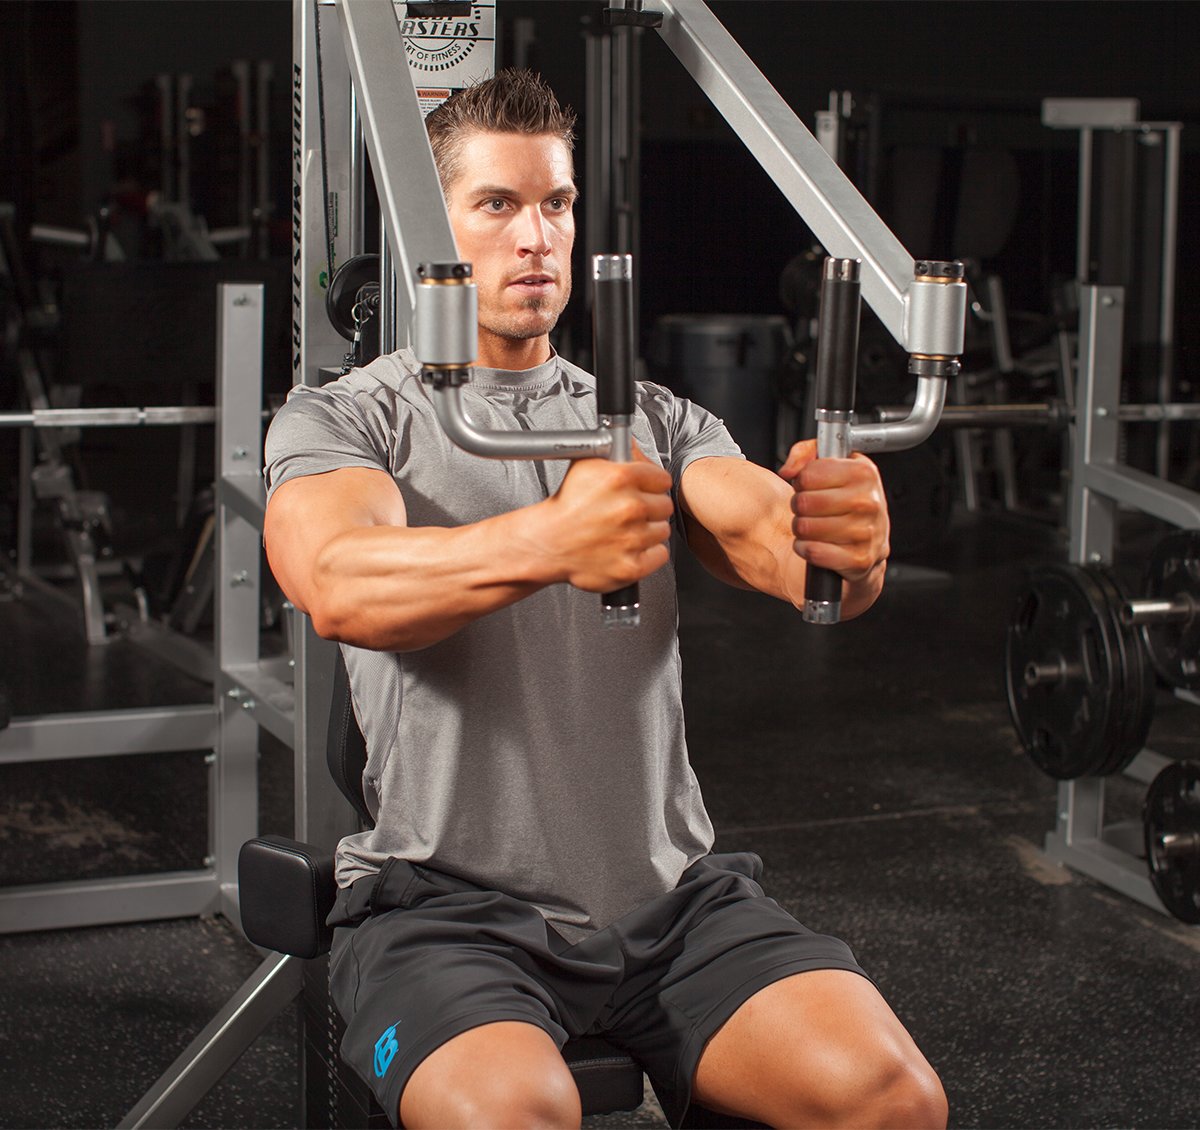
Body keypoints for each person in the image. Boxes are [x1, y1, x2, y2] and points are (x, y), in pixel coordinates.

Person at [263, 68, 947, 1130]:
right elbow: (340, 583)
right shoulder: (348, 419)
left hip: (673, 903)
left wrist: (845, 544)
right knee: (513, 1115)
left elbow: (781, 547)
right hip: (445, 910)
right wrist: (547, 541)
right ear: (429, 230)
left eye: (556, 203)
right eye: (498, 204)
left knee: (892, 1099)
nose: (536, 236)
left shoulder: (655, 419)